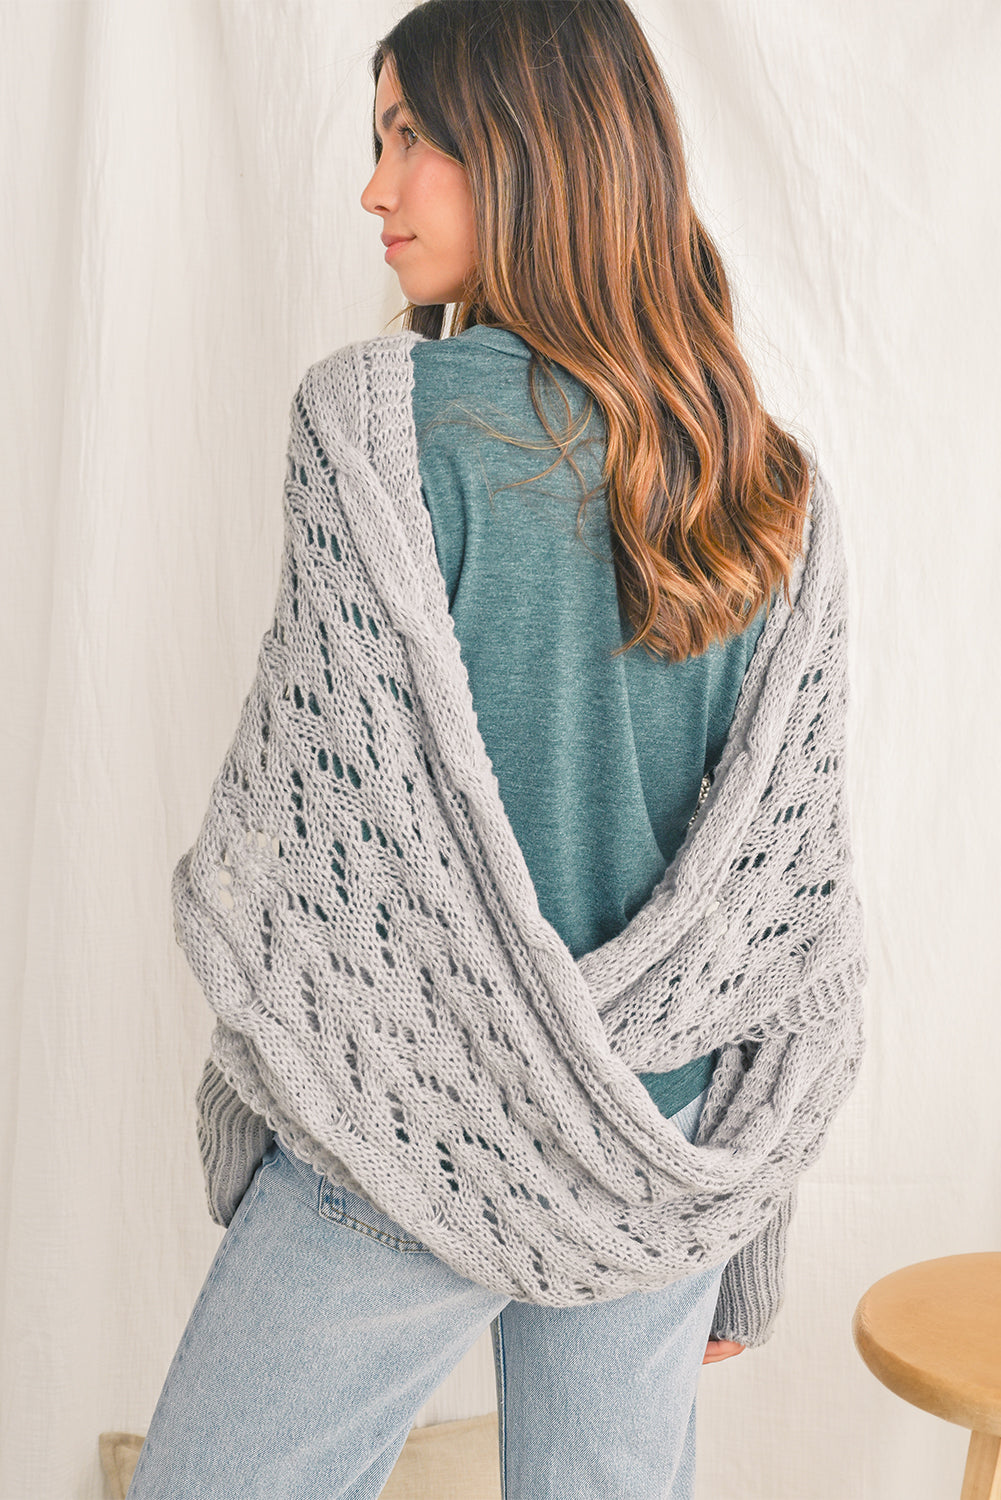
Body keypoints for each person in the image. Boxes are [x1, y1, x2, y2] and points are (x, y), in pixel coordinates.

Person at [127, 3, 862, 1496]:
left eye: (413, 136)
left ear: (534, 153)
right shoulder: (768, 485)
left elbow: (316, 856)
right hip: (655, 1152)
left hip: (407, 1131)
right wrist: (733, 1218)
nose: (375, 189)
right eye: (376, 138)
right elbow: (791, 922)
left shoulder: (375, 425)